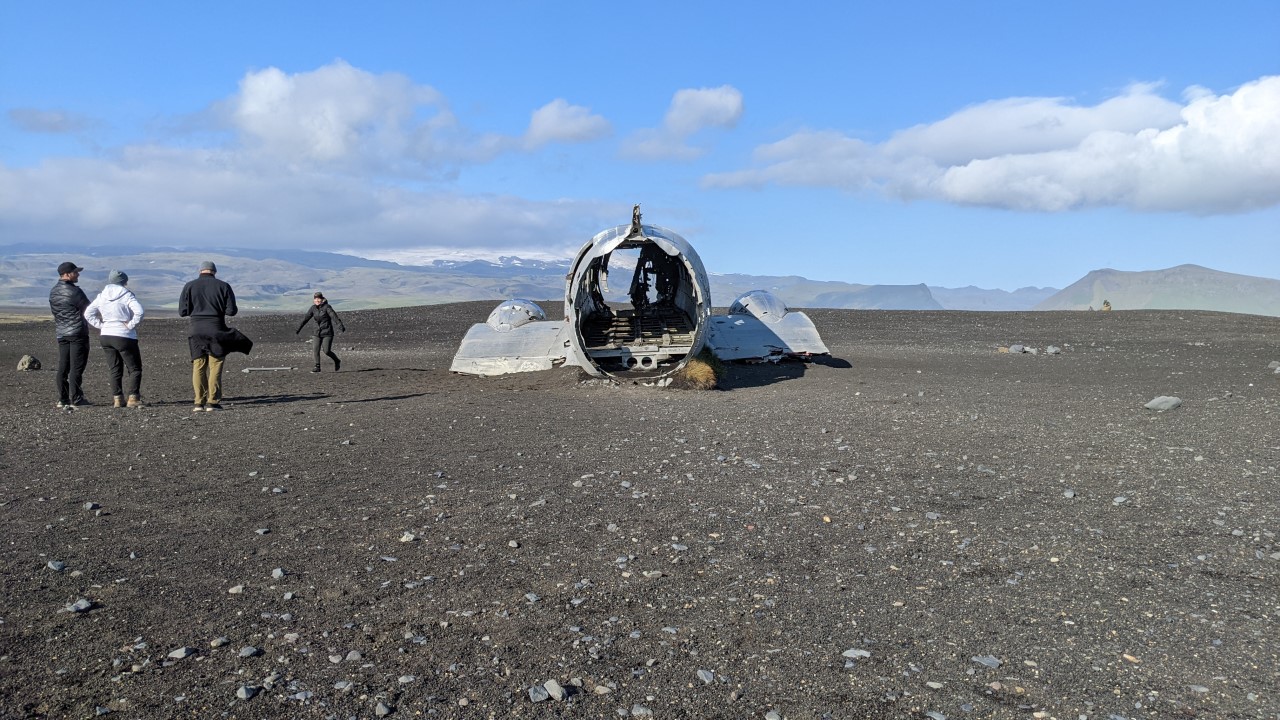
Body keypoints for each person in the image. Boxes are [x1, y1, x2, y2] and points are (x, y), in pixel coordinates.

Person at [179, 261, 251, 412]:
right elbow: (231, 311)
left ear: (200, 271)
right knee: (215, 366)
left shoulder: (189, 286)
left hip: (196, 330)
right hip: (216, 329)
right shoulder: (224, 286)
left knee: (198, 367)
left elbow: (182, 311)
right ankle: (213, 402)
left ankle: (198, 402)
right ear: (214, 271)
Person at [84, 270, 145, 408]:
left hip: (106, 335)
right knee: (134, 368)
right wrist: (130, 325)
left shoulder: (101, 296)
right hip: (124, 335)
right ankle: (133, 398)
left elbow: (88, 313)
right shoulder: (127, 295)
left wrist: (101, 325)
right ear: (124, 281)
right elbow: (139, 312)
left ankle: (117, 399)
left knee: (115, 368)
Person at [49, 261, 91, 408]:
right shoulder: (75, 292)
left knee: (63, 366)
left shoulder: (53, 291)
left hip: (61, 333)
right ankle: (77, 398)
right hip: (77, 334)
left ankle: (63, 398)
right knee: (76, 367)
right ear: (67, 274)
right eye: (75, 272)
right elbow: (89, 309)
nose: (78, 274)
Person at [295, 291, 346, 372]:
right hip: (316, 332)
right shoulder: (313, 308)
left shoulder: (327, 307)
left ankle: (337, 360)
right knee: (316, 349)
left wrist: (340, 325)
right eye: (315, 299)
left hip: (327, 332)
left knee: (326, 351)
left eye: (318, 299)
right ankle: (317, 367)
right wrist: (298, 328)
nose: (317, 300)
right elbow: (306, 319)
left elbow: (334, 316)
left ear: (322, 299)